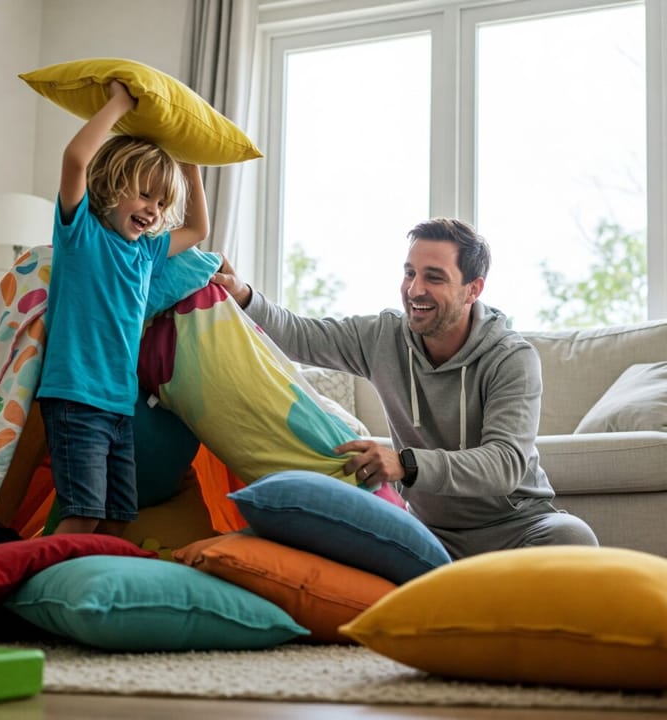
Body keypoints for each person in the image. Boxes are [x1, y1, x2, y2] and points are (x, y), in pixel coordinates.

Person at [212, 218, 598, 559]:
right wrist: (244, 295)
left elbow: (505, 464)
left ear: (473, 289)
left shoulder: (511, 358)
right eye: (410, 273)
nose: (414, 290)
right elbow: (301, 336)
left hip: (515, 528)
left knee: (572, 537)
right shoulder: (384, 337)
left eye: (434, 277)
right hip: (430, 533)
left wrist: (406, 463)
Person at [37, 80, 210, 537]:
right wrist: (119, 104)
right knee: (82, 514)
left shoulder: (145, 253)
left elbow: (198, 230)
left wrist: (189, 165)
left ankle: (91, 579)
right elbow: (76, 160)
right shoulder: (81, 234)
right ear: (113, 185)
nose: (153, 210)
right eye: (144, 195)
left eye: (161, 202)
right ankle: (35, 579)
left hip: (119, 404)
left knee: (115, 519)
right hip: (75, 397)